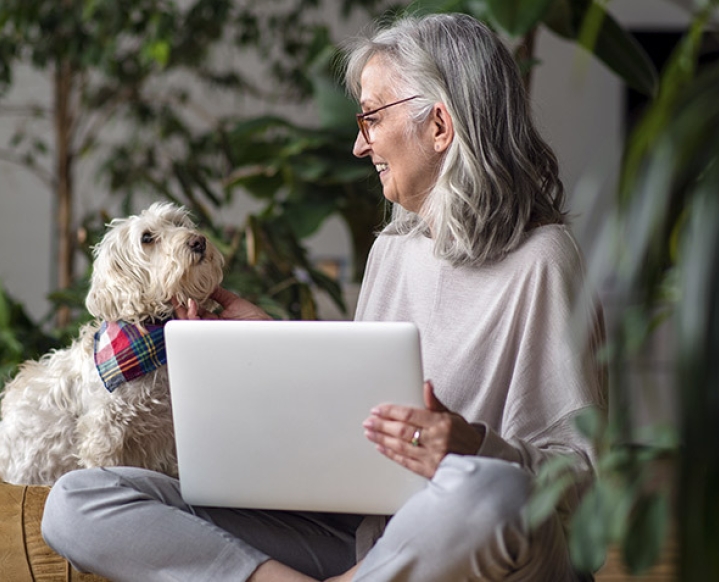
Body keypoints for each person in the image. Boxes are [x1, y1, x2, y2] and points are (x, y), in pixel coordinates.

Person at [41, 12, 605, 581]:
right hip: (369, 539)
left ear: (439, 126)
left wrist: (472, 446)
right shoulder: (393, 249)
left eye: (372, 117)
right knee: (79, 501)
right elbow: (363, 428)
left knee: (493, 492)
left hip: (466, 535)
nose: (360, 144)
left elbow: (580, 482)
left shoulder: (545, 261)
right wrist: (275, 348)